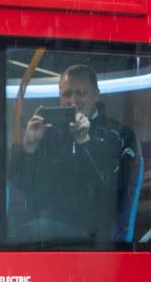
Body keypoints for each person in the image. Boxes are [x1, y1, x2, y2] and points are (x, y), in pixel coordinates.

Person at [9, 64, 141, 243]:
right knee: (12, 226)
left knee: (30, 233)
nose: (73, 100)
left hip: (94, 234)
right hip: (48, 222)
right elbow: (21, 185)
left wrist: (85, 143)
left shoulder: (118, 134)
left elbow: (109, 190)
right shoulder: (48, 133)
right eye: (67, 94)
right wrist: (29, 146)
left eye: (81, 93)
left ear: (96, 95)